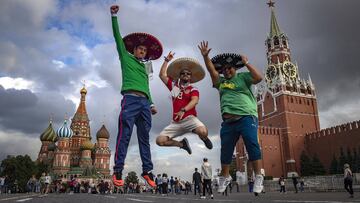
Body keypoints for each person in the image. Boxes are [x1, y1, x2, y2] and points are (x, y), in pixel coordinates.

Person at [198, 41, 263, 195]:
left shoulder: (243, 77)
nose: (226, 71)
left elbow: (258, 77)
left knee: (252, 144)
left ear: (235, 68)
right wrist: (206, 57)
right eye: (224, 69)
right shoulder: (220, 82)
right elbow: (211, 71)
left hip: (246, 116)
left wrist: (247, 63)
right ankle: (225, 177)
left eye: (229, 68)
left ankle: (258, 176)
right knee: (226, 150)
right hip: (228, 122)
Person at [110, 5, 163, 188]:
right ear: (133, 50)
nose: (142, 51)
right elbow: (117, 38)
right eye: (139, 49)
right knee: (124, 134)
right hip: (130, 100)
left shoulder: (147, 66)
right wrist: (114, 16)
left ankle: (147, 171)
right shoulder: (125, 57)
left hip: (145, 103)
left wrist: (152, 102)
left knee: (144, 138)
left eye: (144, 50)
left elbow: (147, 85)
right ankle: (117, 171)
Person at [156, 53, 213, 154]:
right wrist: (166, 61)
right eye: (183, 73)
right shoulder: (174, 87)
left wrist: (183, 110)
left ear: (191, 77)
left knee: (203, 132)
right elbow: (162, 75)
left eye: (188, 73)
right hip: (176, 122)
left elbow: (195, 100)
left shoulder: (193, 88)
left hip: (190, 119)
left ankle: (204, 138)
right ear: (180, 76)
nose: (185, 75)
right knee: (160, 141)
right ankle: (182, 144)